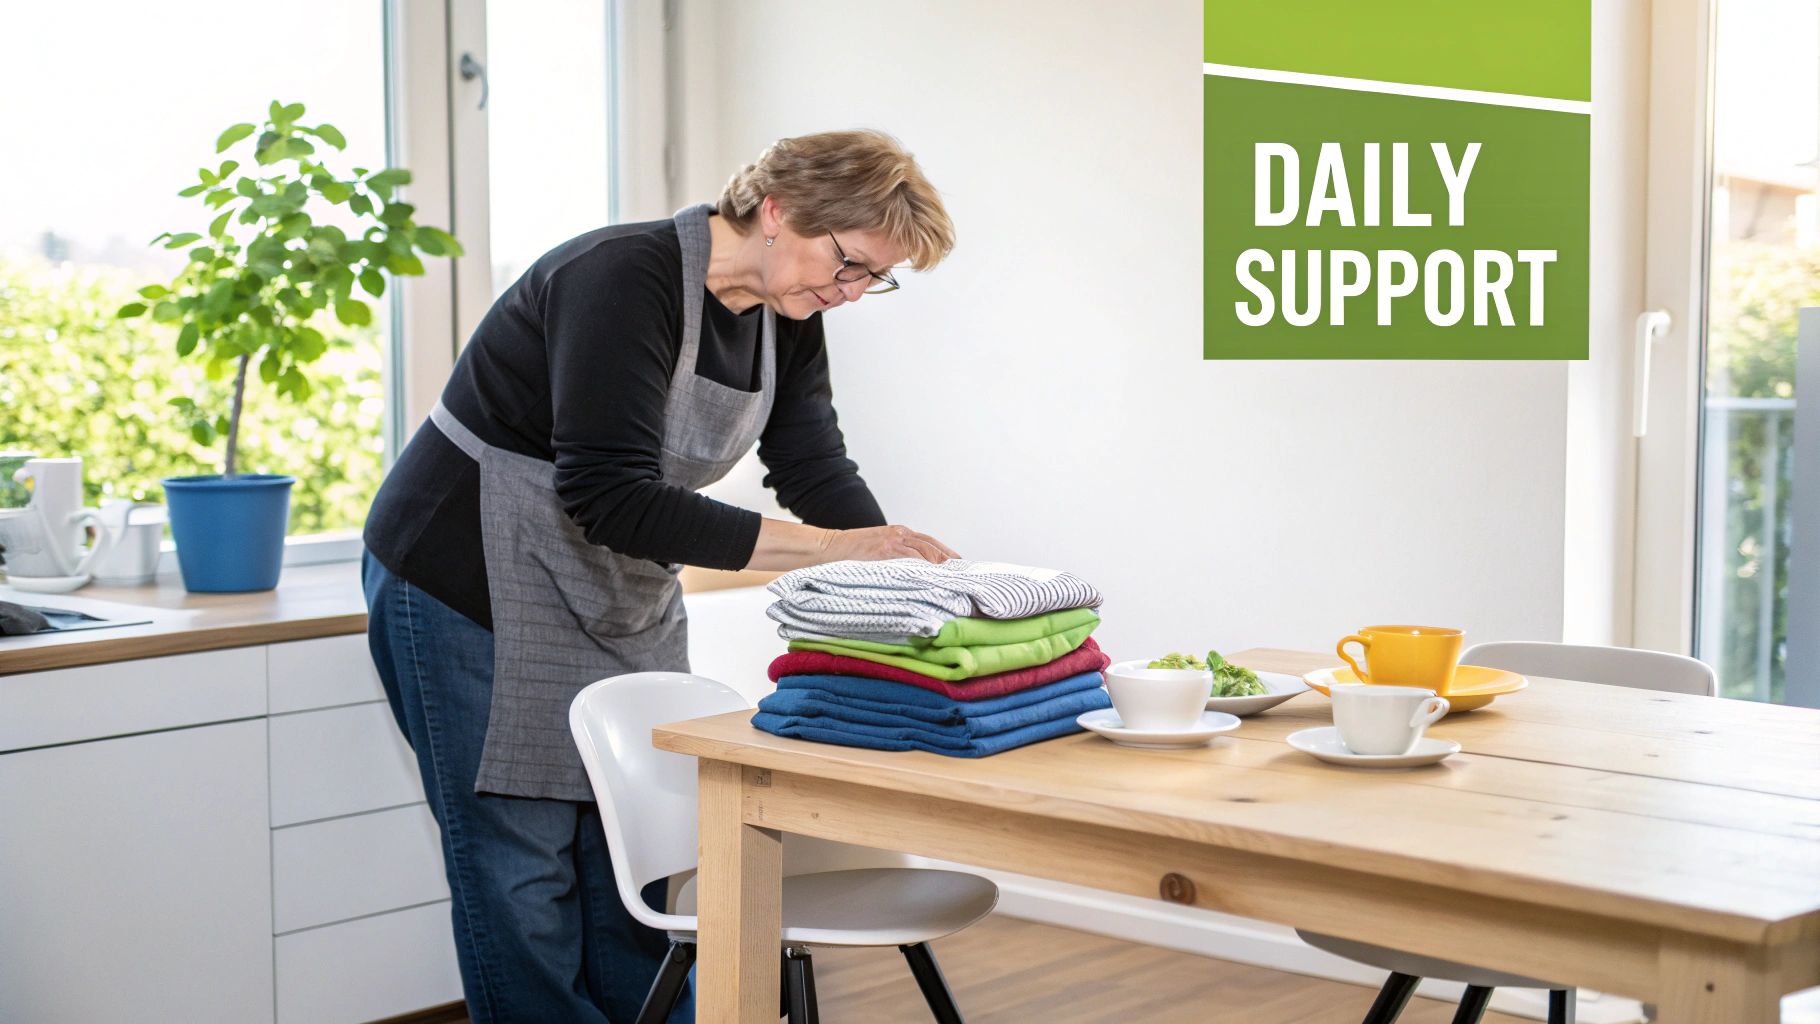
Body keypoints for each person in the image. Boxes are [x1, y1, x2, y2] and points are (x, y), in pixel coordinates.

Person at [359, 129, 961, 1022]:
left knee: (631, 863)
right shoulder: (619, 278)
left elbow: (811, 463)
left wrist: (894, 563)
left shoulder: (788, 316)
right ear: (778, 210)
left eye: (875, 279)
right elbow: (610, 496)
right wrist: (833, 552)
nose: (850, 292)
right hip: (467, 577)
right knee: (520, 871)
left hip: (612, 586)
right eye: (848, 264)